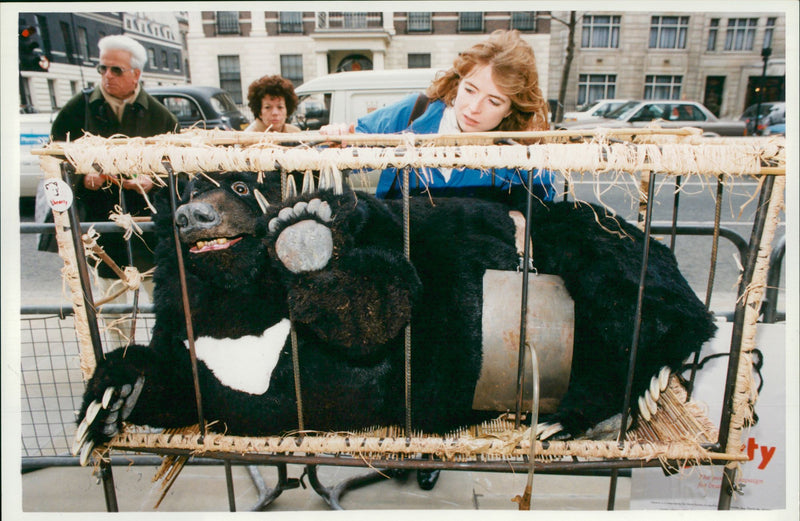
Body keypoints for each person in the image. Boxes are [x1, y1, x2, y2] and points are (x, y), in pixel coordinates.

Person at [46, 34, 179, 346]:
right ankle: (123, 371)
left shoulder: (162, 117)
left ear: (136, 74)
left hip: (151, 238)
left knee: (166, 311)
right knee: (114, 314)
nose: (107, 76)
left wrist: (153, 181)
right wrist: (82, 178)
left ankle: (166, 367)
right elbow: (54, 165)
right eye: (102, 68)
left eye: (116, 70)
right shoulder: (75, 112)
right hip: (102, 236)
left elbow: (180, 174)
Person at [321, 30, 555, 203]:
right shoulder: (414, 112)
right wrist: (339, 139)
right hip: (402, 257)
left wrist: (520, 214)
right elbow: (352, 146)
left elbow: (543, 205)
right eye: (470, 90)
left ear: (513, 108)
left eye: (494, 101)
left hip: (474, 264)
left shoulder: (521, 149)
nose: (473, 108)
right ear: (458, 80)